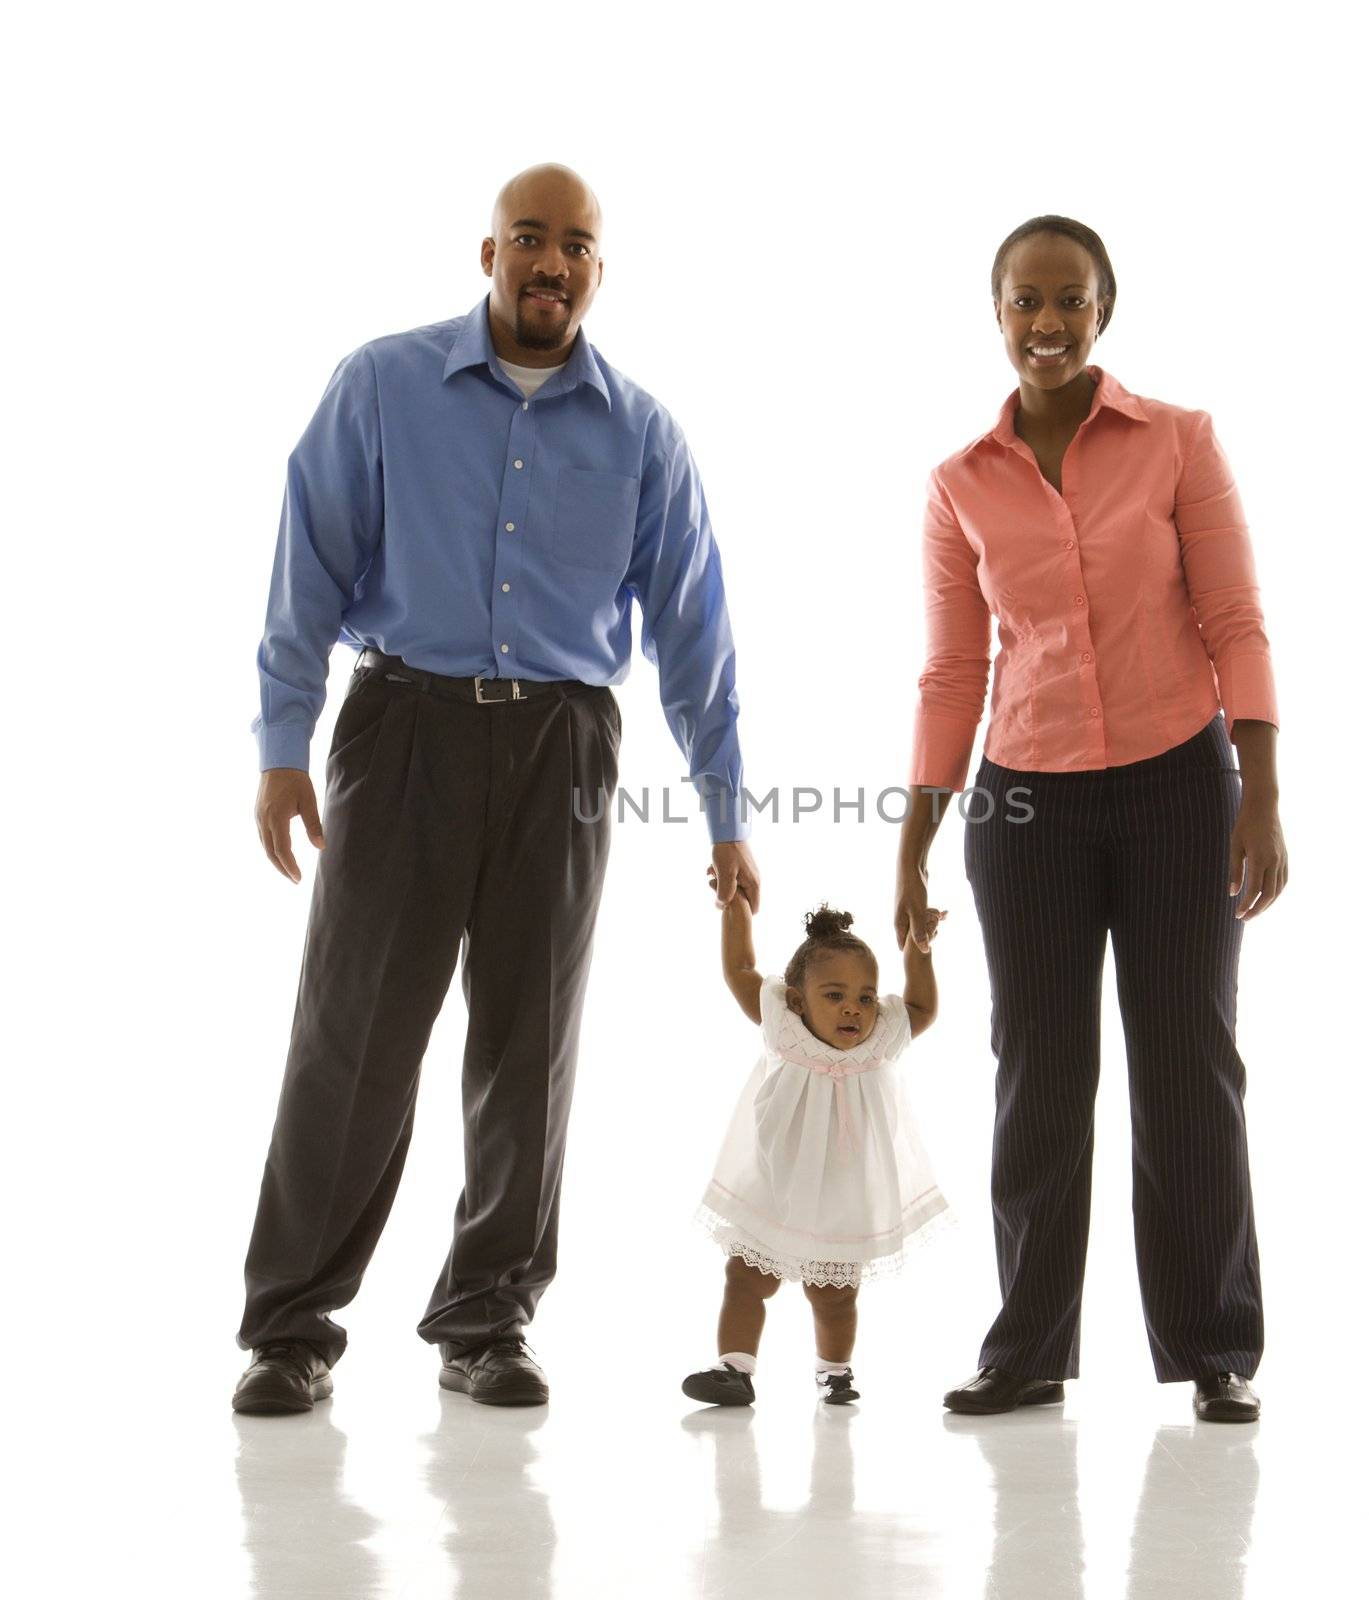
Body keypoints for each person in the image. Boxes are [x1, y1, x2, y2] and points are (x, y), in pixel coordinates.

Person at [232, 163, 760, 1416]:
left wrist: (727, 810)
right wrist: (280, 744)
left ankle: (489, 1318)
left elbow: (696, 633)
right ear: (488, 253)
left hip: (564, 746)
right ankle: (292, 1326)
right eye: (530, 238)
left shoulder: (642, 433)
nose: (550, 264)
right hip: (403, 724)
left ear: (596, 270)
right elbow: (306, 562)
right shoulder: (384, 384)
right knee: (355, 1035)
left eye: (574, 246)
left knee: (530, 1044)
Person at [896, 215, 1287, 1422]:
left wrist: (1260, 789)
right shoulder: (959, 482)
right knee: (1040, 1077)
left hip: (1179, 787)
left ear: (1102, 310)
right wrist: (912, 846)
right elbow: (952, 673)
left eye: (1068, 299)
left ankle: (1214, 1345)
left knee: (1186, 1069)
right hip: (1025, 809)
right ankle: (1027, 1348)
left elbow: (1233, 619)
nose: (1046, 321)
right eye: (1024, 300)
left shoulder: (1179, 441)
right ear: (998, 312)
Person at [683, 896, 950, 1406]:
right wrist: (734, 908)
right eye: (834, 995)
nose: (854, 1008)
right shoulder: (784, 1028)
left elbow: (922, 1007)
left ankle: (835, 1371)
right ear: (798, 1000)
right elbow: (740, 970)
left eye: (866, 997)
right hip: (774, 1186)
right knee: (746, 1277)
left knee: (834, 1294)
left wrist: (920, 950)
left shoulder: (880, 1042)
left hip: (843, 1198)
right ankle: (733, 1368)